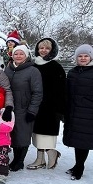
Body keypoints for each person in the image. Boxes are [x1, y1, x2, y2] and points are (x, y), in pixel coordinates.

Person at [63, 44, 93, 180]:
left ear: (91, 57)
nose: (83, 58)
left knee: (83, 142)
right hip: (74, 113)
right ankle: (77, 165)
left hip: (89, 114)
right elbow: (67, 94)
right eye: (80, 56)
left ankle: (79, 167)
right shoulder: (73, 72)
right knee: (76, 140)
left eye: (86, 56)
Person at [28, 38, 67, 170]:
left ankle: (52, 154)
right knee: (36, 134)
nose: (43, 51)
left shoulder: (56, 67)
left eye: (47, 48)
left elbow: (62, 90)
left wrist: (60, 109)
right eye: (41, 48)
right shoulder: (34, 65)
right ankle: (40, 159)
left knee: (46, 135)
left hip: (51, 107)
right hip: (35, 105)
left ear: (52, 50)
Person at [3, 45, 43, 171]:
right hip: (10, 107)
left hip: (25, 108)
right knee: (13, 134)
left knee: (23, 135)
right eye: (16, 54)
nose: (18, 56)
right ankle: (15, 158)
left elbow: (37, 92)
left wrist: (32, 110)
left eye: (21, 54)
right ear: (12, 55)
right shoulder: (8, 69)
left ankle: (20, 161)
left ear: (26, 56)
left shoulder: (33, 71)